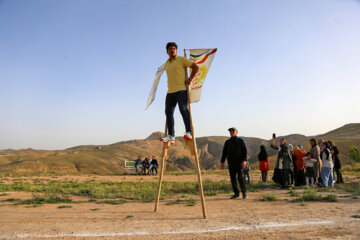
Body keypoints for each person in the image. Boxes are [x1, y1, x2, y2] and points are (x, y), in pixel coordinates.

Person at [159, 42, 199, 144]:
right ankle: (171, 136)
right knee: (168, 113)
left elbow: (195, 67)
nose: (172, 50)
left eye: (174, 49)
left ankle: (188, 132)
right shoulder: (166, 64)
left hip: (181, 90)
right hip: (170, 92)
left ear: (176, 50)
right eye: (170, 49)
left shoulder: (182, 59)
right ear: (167, 51)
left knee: (183, 109)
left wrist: (190, 78)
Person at [220, 127, 247, 199]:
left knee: (240, 178)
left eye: (233, 131)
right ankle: (236, 193)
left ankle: (244, 193)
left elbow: (245, 151)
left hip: (239, 163)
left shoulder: (241, 141)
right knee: (233, 179)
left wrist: (244, 160)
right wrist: (222, 162)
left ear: (236, 132)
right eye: (230, 131)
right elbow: (224, 153)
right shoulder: (227, 142)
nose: (231, 132)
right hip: (231, 163)